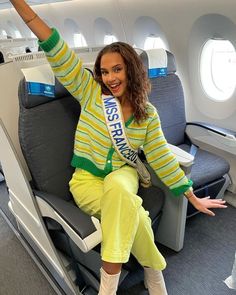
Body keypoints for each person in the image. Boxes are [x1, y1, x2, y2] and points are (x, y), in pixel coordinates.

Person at [10, 1, 227, 294]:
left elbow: (161, 156)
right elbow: (56, 48)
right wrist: (21, 7)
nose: (110, 78)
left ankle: (107, 286)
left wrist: (191, 195)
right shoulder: (90, 93)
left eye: (117, 69)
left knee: (120, 189)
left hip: (124, 174)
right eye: (104, 72)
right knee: (132, 211)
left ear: (131, 70)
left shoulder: (147, 113)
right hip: (85, 182)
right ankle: (154, 272)